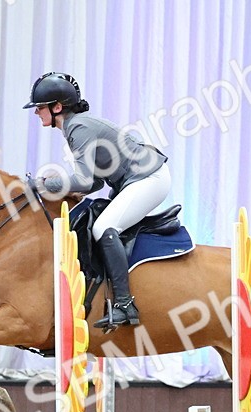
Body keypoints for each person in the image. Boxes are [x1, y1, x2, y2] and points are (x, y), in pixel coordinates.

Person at [26, 72, 170, 329]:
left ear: (57, 107)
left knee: (103, 228)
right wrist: (61, 189)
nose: (37, 113)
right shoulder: (75, 126)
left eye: (39, 107)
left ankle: (125, 304)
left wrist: (41, 184)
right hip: (136, 178)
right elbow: (94, 182)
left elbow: (82, 181)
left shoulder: (77, 128)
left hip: (149, 178)